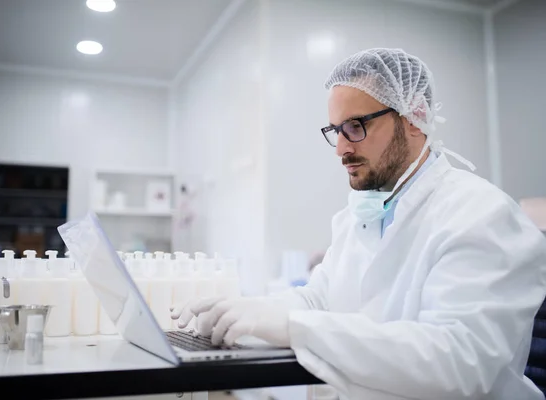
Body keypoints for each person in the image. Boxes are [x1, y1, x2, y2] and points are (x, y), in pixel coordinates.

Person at [171, 48, 546, 399]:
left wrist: (295, 327)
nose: (341, 148)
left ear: (413, 116)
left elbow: (460, 361)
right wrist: (247, 311)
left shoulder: (481, 213)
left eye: (355, 126)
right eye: (335, 130)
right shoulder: (360, 216)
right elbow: (319, 297)